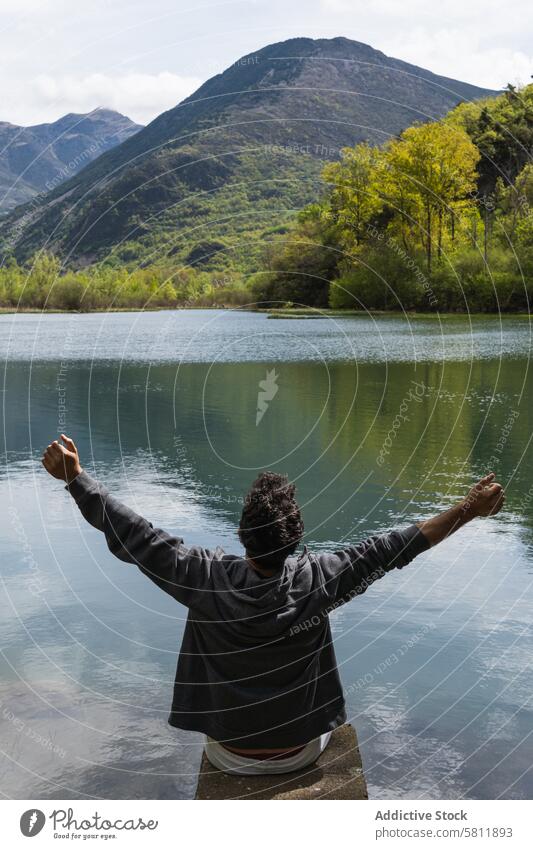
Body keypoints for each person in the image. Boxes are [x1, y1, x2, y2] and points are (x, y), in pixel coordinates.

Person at [42, 434, 505, 776]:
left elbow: (136, 535)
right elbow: (397, 546)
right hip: (302, 749)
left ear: (242, 534)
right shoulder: (321, 579)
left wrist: (76, 479)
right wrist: (468, 507)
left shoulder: (205, 578)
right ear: (296, 539)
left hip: (230, 755)